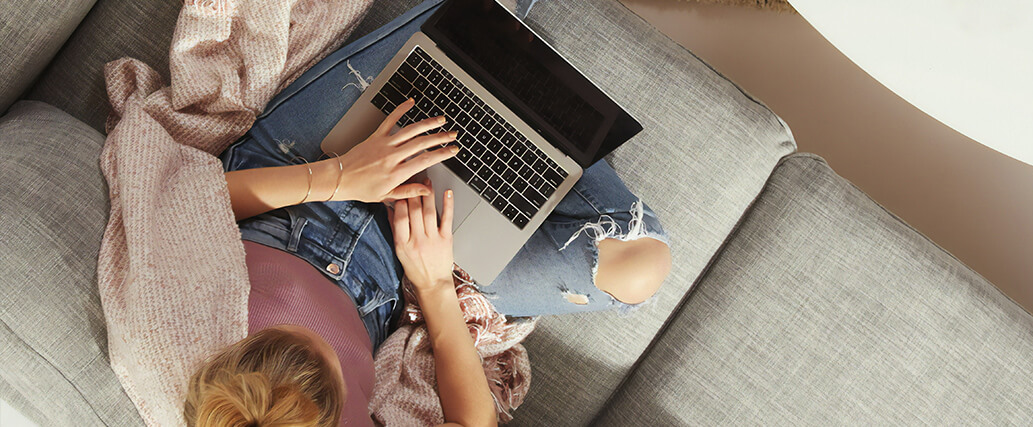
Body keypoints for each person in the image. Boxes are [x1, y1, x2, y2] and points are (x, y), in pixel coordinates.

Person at [181, 1, 671, 426]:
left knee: (480, 18)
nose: (311, 329)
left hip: (298, 173)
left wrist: (343, 176)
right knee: (638, 265)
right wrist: (435, 284)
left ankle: (489, 98)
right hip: (407, 261)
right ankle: (516, 122)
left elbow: (196, 201)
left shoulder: (171, 347)